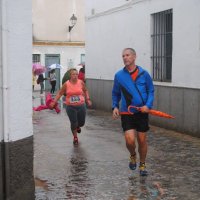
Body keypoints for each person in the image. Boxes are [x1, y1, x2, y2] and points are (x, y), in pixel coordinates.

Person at [112, 48, 154, 176]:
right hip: (127, 112)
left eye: (127, 55)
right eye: (123, 55)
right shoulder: (119, 75)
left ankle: (142, 164)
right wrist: (115, 107)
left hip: (142, 112)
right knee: (130, 141)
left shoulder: (144, 74)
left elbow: (151, 91)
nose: (125, 58)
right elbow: (115, 93)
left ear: (134, 57)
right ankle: (132, 155)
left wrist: (148, 105)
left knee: (141, 140)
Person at [50, 68, 92, 145]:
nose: (75, 76)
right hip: (70, 107)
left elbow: (85, 90)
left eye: (76, 74)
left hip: (81, 105)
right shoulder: (66, 84)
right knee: (73, 122)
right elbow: (60, 93)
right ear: (70, 75)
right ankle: (75, 137)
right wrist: (54, 102)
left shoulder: (81, 82)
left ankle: (78, 126)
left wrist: (88, 99)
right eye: (73, 74)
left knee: (82, 123)